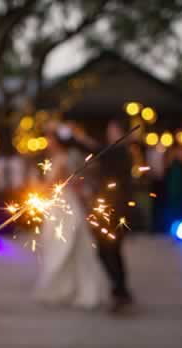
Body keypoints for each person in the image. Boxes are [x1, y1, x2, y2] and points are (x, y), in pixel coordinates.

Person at [34, 120, 107, 309]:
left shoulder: (63, 159)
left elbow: (53, 184)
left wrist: (36, 191)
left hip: (64, 205)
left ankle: (71, 287)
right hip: (57, 205)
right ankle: (63, 288)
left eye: (49, 138)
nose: (47, 142)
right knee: (56, 243)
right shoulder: (54, 159)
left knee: (66, 244)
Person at [94, 120, 134, 314]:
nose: (110, 133)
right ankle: (121, 289)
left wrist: (78, 138)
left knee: (109, 249)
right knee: (109, 250)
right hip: (109, 208)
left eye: (114, 130)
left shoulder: (120, 153)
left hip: (117, 210)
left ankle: (120, 289)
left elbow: (100, 153)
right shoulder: (114, 152)